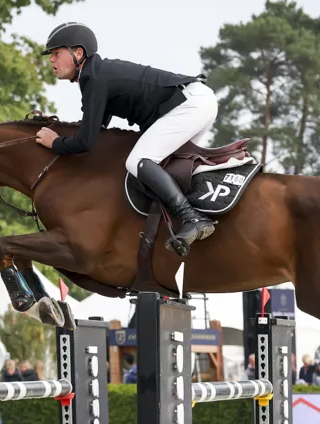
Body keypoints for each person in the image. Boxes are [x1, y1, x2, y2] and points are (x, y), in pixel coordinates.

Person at [35, 22, 218, 256]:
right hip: (196, 102)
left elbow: (85, 142)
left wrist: (55, 142)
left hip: (190, 105)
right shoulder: (97, 74)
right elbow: (95, 128)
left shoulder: (94, 78)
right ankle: (191, 219)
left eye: (56, 53)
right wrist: (59, 128)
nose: (51, 60)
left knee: (137, 161)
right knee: (164, 167)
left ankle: (192, 217)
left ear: (78, 53)